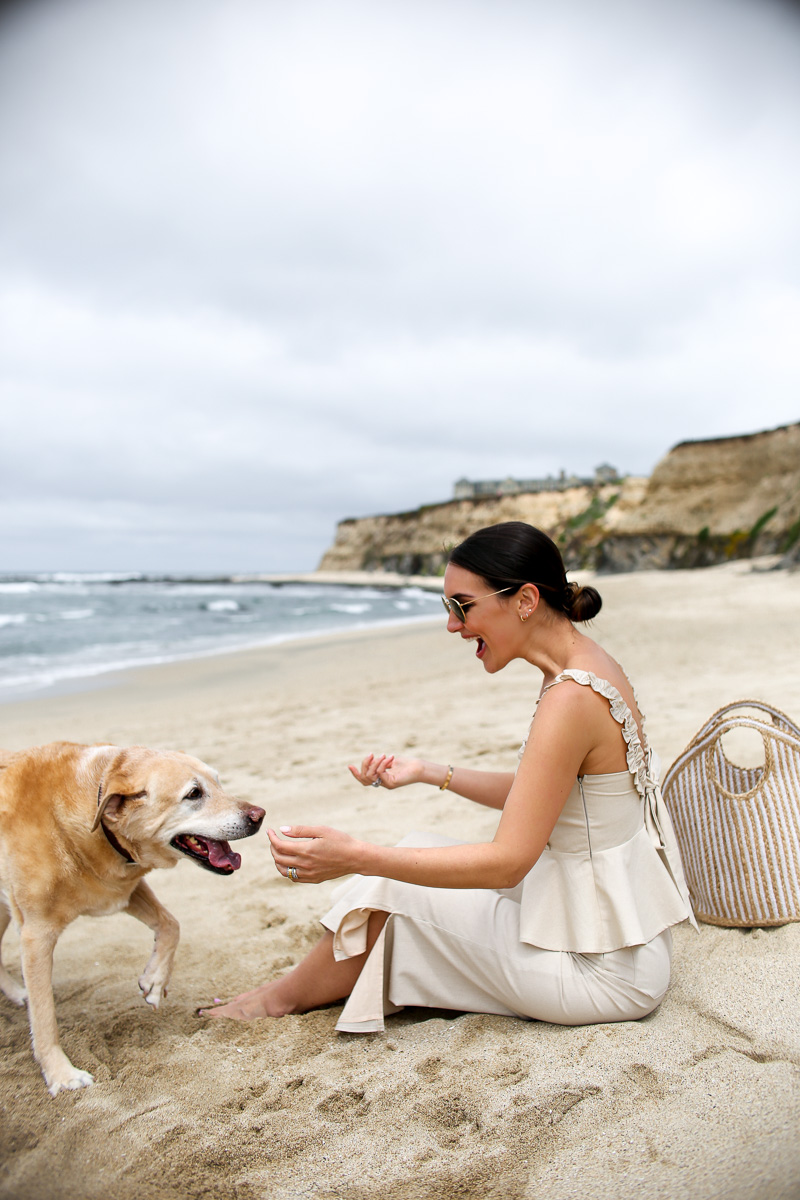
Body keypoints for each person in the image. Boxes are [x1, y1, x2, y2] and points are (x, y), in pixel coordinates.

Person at [202, 521, 696, 1029]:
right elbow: (548, 793)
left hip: (601, 970)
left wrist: (355, 858)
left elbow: (507, 864)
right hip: (611, 932)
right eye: (449, 609)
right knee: (419, 847)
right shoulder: (583, 668)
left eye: (463, 607)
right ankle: (287, 990)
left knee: (389, 887)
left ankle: (278, 999)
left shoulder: (570, 697)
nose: (453, 626)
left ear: (525, 599)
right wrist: (427, 772)